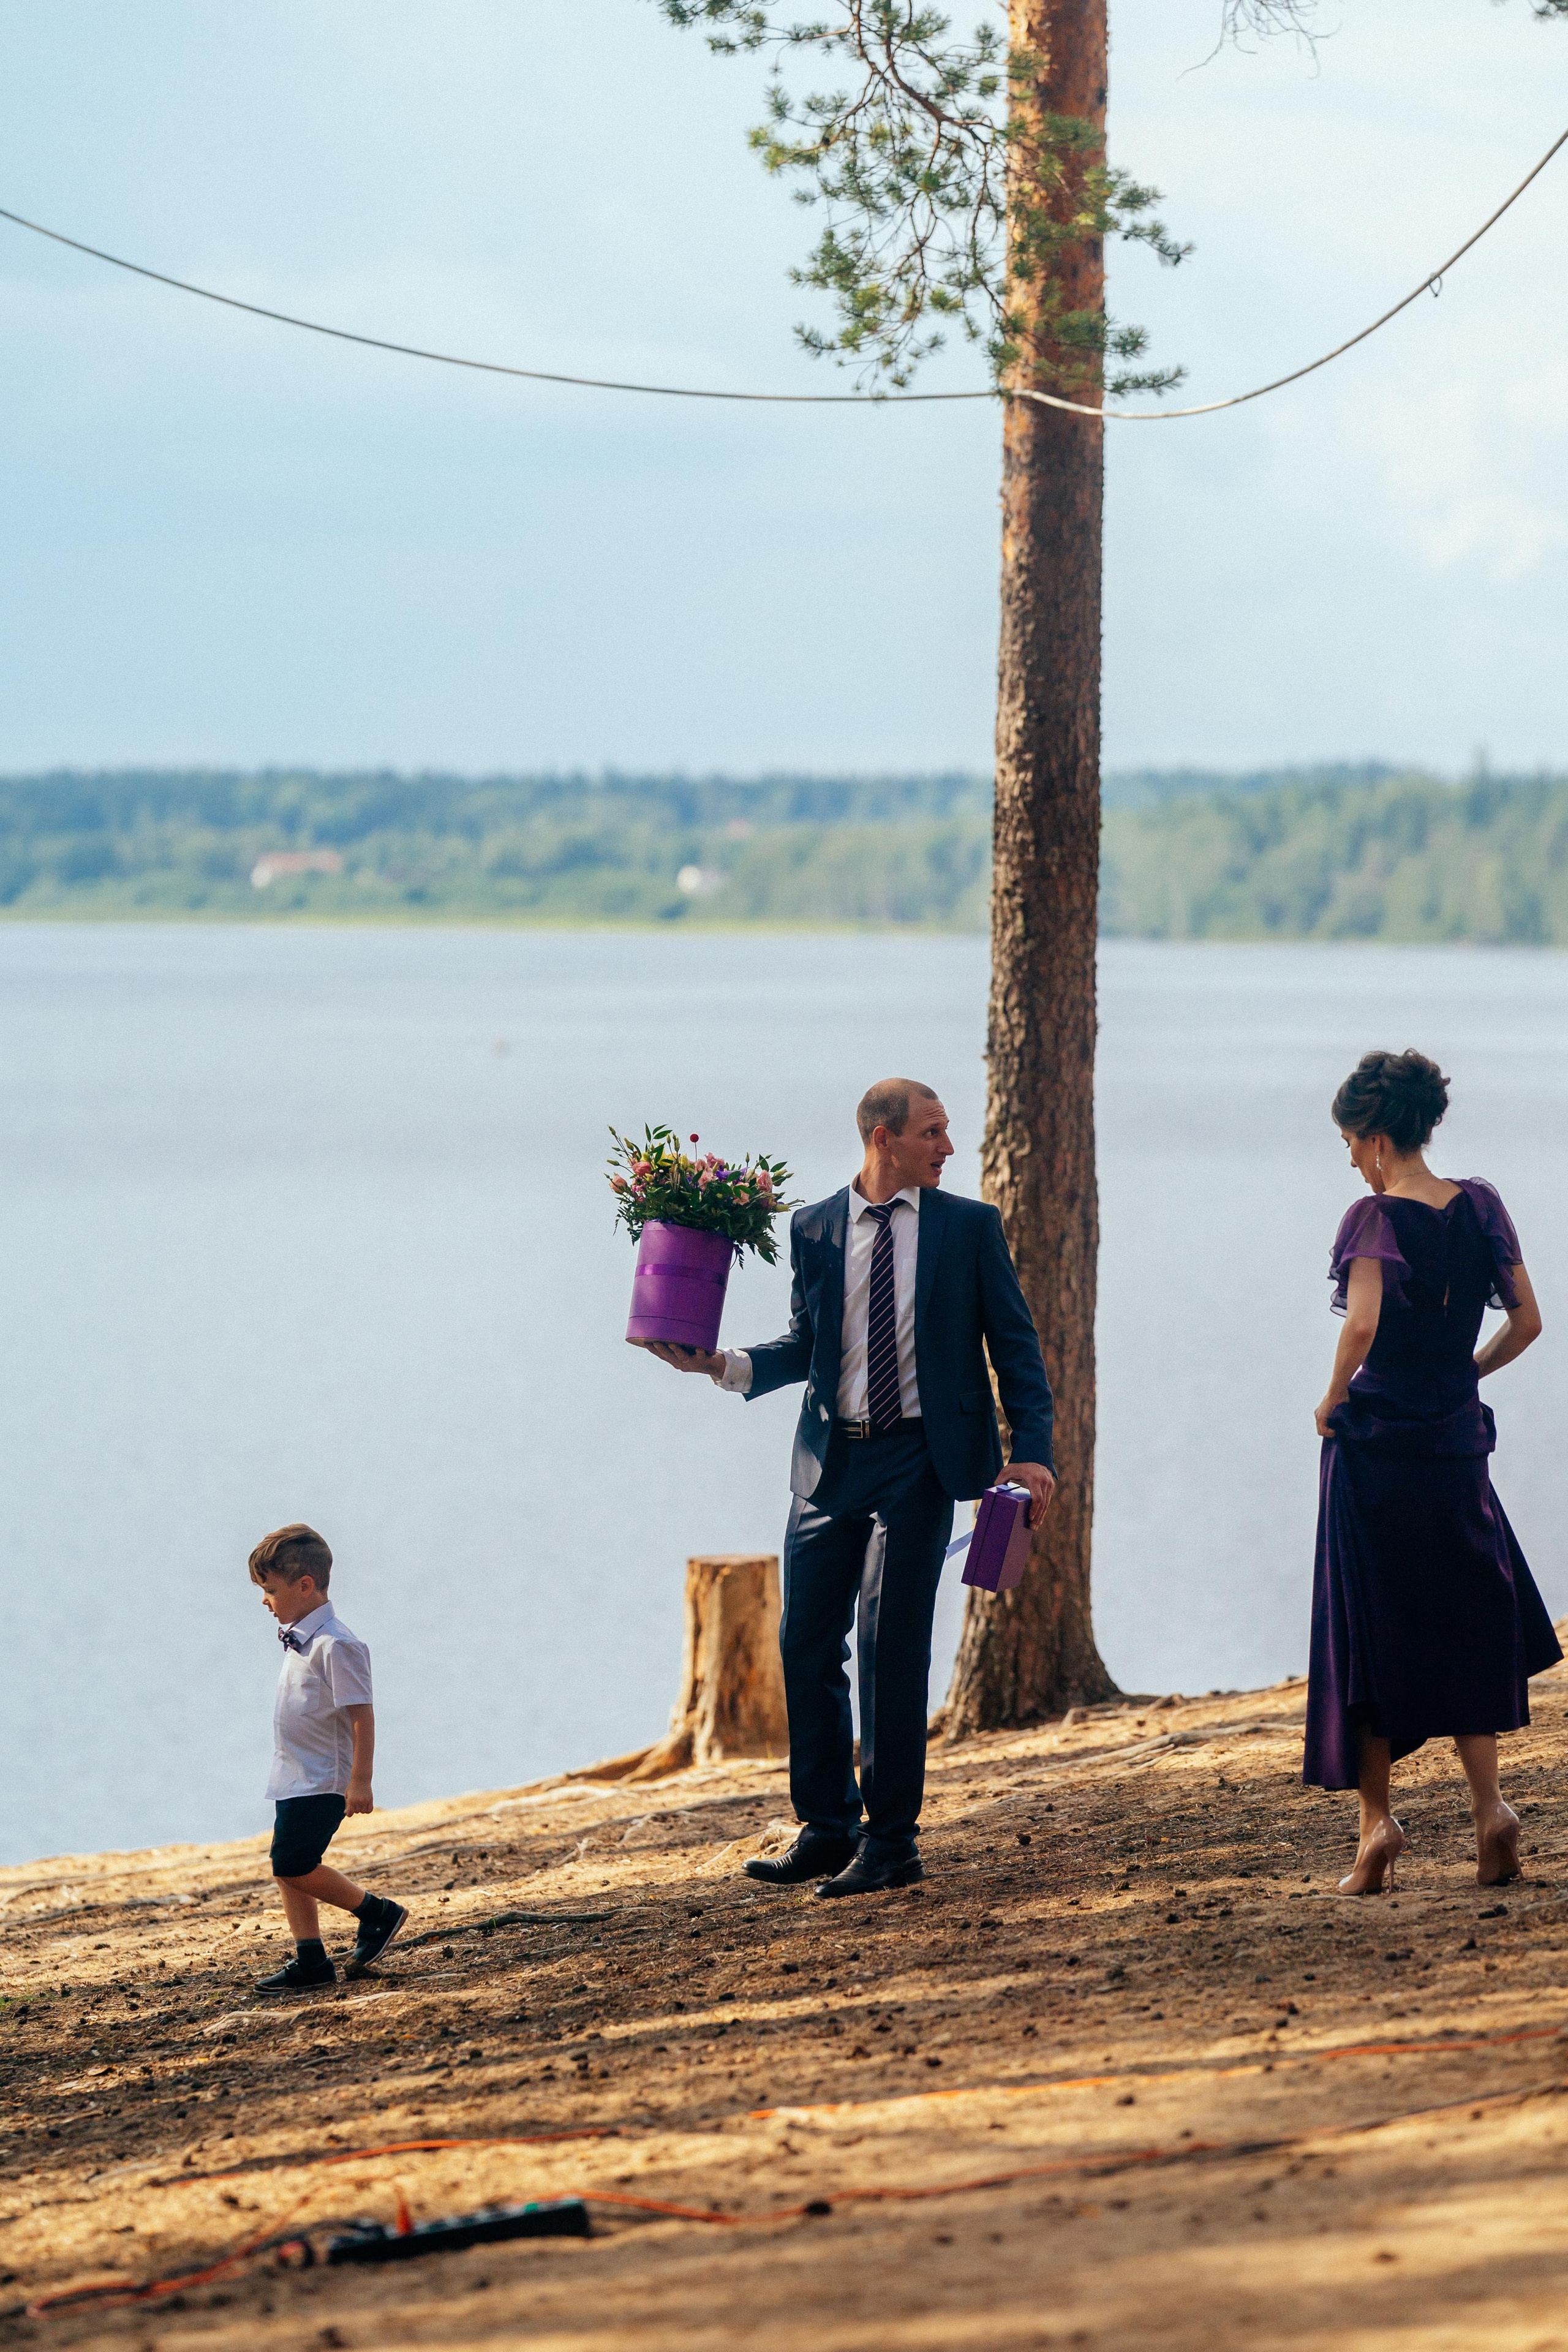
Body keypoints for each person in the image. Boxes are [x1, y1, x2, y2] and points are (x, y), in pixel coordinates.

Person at [646, 1078, 1055, 1897]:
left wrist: (1033, 1450)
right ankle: (827, 1828)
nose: (947, 1147)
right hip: (828, 1466)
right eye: (933, 1132)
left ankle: (893, 1841)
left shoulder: (970, 1228)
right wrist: (719, 1365)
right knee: (806, 1645)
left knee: (888, 1649)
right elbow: (808, 1343)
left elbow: (1016, 1345)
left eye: (947, 1133)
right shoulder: (815, 1227)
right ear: (884, 1138)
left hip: (921, 1463)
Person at [1303, 1049, 1560, 1894]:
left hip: (1375, 1447)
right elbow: (1527, 1323)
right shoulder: (1480, 1206)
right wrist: (1466, 1377)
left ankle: (1377, 1828)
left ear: (1377, 1138)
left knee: (1369, 1630)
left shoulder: (1372, 1218)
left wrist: (1332, 1397)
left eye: (1349, 1141)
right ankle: (1492, 1812)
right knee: (1460, 1617)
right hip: (1454, 1445)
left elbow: (1363, 1324)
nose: (1349, 1159)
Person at [251, 1523, 408, 1990]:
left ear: (304, 1586)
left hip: (325, 1779)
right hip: (294, 1774)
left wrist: (360, 1780)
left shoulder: (336, 1644)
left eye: (270, 1590)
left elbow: (362, 1715)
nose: (264, 1601)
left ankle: (377, 1913)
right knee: (288, 1866)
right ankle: (311, 1959)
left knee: (293, 1863)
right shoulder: (300, 1637)